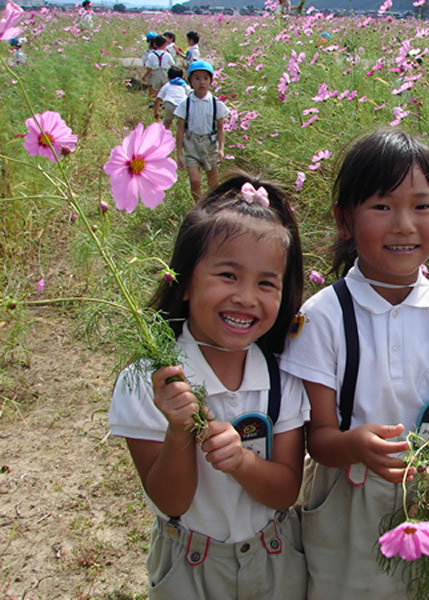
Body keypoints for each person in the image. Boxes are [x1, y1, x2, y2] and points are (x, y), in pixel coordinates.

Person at [281, 128, 429, 600]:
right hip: (346, 501)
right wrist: (353, 445)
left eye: (421, 206)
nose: (403, 225)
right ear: (344, 220)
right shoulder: (323, 318)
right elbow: (319, 439)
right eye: (381, 206)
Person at [108, 172, 308, 599]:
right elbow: (171, 503)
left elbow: (286, 490)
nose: (246, 297)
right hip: (189, 567)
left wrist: (241, 462)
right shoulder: (149, 381)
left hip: (274, 561)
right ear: (182, 284)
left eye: (266, 283)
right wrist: (179, 428)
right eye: (228, 275)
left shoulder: (281, 380)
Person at [175, 61, 229, 203]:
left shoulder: (216, 104)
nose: (201, 82)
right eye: (197, 78)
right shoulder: (185, 104)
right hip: (191, 144)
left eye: (205, 78)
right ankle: (199, 206)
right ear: (190, 81)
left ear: (211, 81)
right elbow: (180, 129)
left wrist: (221, 149)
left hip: (209, 144)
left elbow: (220, 128)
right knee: (195, 180)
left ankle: (212, 205)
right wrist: (179, 153)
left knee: (213, 180)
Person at [144, 35, 175, 104]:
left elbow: (149, 68)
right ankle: (163, 102)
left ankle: (153, 102)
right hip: (165, 73)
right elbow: (172, 64)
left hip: (155, 73)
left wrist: (145, 75)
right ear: (165, 44)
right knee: (165, 88)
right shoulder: (167, 54)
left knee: (154, 88)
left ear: (154, 44)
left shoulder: (151, 55)